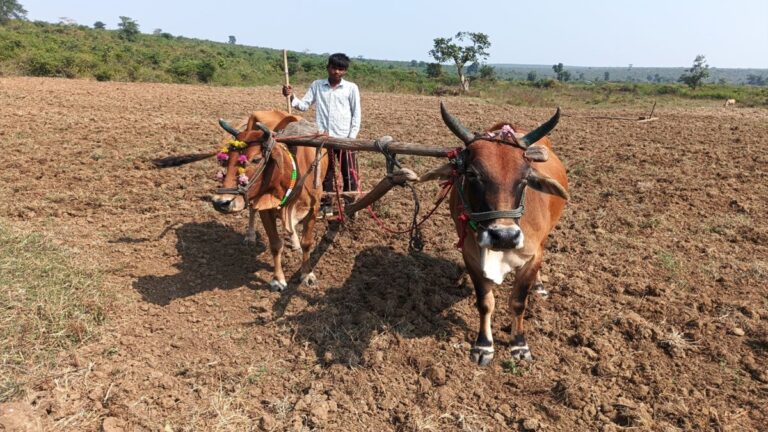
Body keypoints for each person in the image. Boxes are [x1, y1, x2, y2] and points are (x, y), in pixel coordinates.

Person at [282, 53, 361, 217]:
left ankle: (351, 205)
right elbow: (303, 105)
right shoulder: (317, 85)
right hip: (323, 138)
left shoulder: (351, 88)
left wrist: (351, 138)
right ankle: (326, 205)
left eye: (340, 69)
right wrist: (291, 97)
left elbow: (356, 114)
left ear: (345, 71)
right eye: (334, 68)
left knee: (349, 173)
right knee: (326, 173)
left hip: (344, 138)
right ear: (328, 68)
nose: (337, 72)